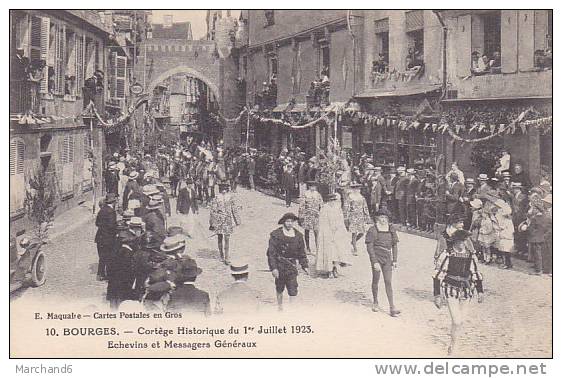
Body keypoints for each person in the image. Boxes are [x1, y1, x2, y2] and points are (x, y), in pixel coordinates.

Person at [433, 229, 484, 355]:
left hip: (466, 290)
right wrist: (437, 295)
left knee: (461, 321)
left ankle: (454, 343)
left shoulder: (470, 256)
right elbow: (437, 275)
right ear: (455, 242)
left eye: (465, 241)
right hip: (451, 289)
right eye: (461, 241)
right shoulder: (447, 254)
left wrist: (480, 291)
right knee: (456, 320)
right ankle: (454, 346)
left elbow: (475, 273)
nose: (464, 244)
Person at [267, 212, 309, 311]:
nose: (289, 223)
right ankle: (280, 307)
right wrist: (274, 268)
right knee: (279, 287)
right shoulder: (276, 235)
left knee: (293, 288)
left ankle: (292, 310)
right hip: (280, 265)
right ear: (283, 222)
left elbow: (302, 252)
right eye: (287, 221)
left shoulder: (298, 236)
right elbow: (271, 254)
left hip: (292, 266)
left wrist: (304, 265)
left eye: (291, 221)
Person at [365, 208, 400, 316]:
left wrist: (395, 260)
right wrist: (374, 261)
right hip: (377, 257)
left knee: (388, 281)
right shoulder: (373, 230)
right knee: (376, 280)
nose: (383, 220)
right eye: (381, 217)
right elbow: (369, 247)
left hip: (387, 258)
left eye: (385, 217)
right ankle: (375, 301)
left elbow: (394, 245)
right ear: (377, 218)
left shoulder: (391, 229)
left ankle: (392, 307)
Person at [316, 193, 352, 278]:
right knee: (329, 251)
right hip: (327, 232)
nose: (332, 202)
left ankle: (335, 268)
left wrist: (339, 229)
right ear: (328, 201)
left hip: (337, 233)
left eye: (334, 200)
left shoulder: (337, 209)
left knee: (337, 251)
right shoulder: (324, 209)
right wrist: (328, 230)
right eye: (330, 200)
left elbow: (341, 220)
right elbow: (322, 222)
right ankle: (329, 270)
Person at [209, 181, 242, 265]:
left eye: (225, 189)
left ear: (227, 189)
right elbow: (213, 211)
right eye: (222, 189)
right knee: (220, 238)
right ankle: (221, 255)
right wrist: (212, 223)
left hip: (227, 220)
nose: (224, 191)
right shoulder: (216, 198)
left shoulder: (230, 197)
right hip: (219, 221)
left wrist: (237, 220)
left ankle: (227, 257)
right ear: (220, 189)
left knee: (227, 239)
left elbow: (234, 209)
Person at [107, 228, 138, 310]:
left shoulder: (114, 251)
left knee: (113, 307)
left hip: (113, 285)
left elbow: (109, 269)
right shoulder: (129, 254)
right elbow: (130, 272)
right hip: (124, 286)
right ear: (129, 242)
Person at [344, 182, 371, 256]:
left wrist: (367, 217)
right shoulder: (350, 197)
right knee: (354, 232)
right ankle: (355, 249)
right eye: (355, 189)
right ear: (353, 189)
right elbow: (346, 207)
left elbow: (365, 207)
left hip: (360, 216)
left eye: (358, 189)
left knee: (362, 232)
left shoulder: (361, 197)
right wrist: (346, 217)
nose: (357, 190)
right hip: (353, 216)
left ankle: (353, 242)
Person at [95, 193, 117, 281]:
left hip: (99, 237)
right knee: (109, 256)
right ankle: (108, 274)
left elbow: (97, 223)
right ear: (113, 202)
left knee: (102, 256)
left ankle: (100, 274)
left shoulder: (102, 210)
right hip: (108, 238)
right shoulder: (111, 212)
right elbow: (111, 226)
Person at [298, 181, 323, 255]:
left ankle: (317, 248)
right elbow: (301, 205)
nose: (313, 188)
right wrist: (301, 216)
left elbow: (321, 205)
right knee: (307, 231)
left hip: (316, 215)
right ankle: (308, 248)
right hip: (307, 215)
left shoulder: (318, 195)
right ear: (309, 187)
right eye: (311, 186)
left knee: (316, 232)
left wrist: (321, 213)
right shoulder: (305, 194)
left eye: (314, 186)